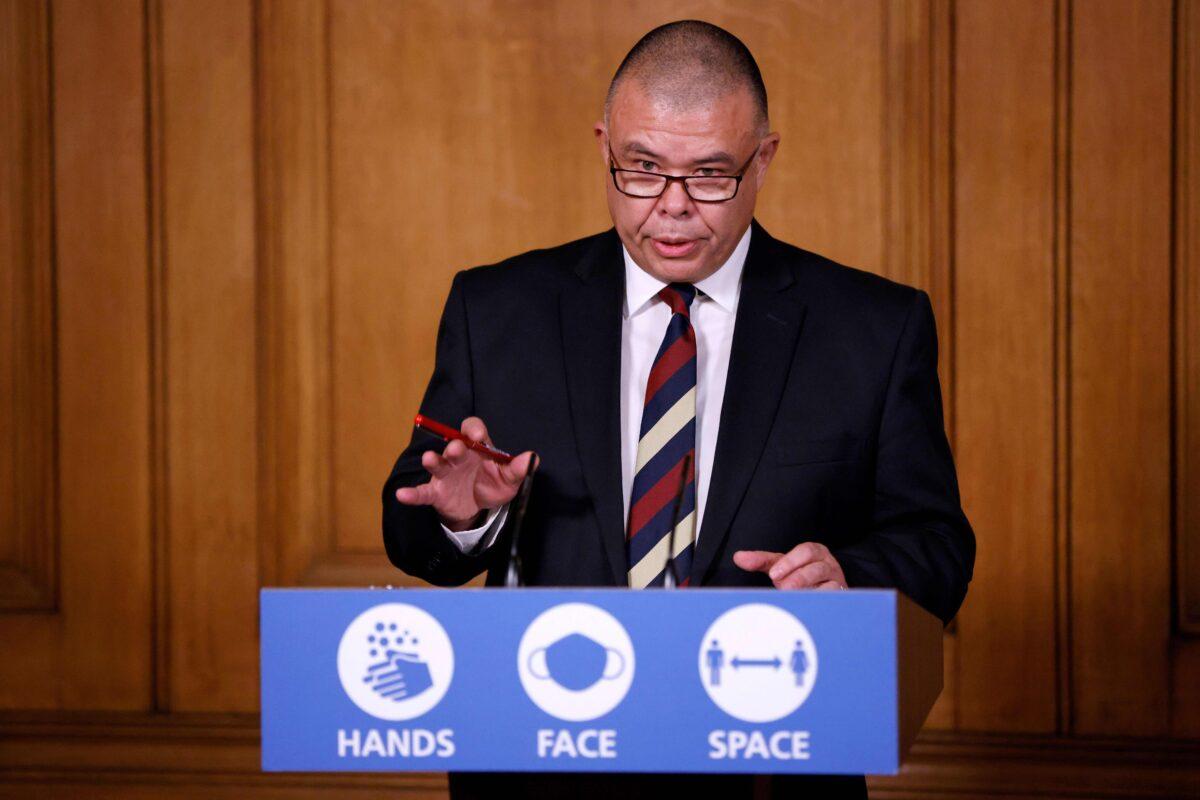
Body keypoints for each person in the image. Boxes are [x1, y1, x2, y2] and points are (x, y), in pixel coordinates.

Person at [382, 19, 974, 800]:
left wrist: (849, 576)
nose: (671, 208)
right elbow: (411, 535)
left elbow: (938, 546)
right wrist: (465, 518)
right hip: (541, 767)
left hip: (770, 767)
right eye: (642, 168)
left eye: (709, 175)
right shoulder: (497, 310)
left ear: (763, 159)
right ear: (605, 148)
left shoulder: (873, 328)